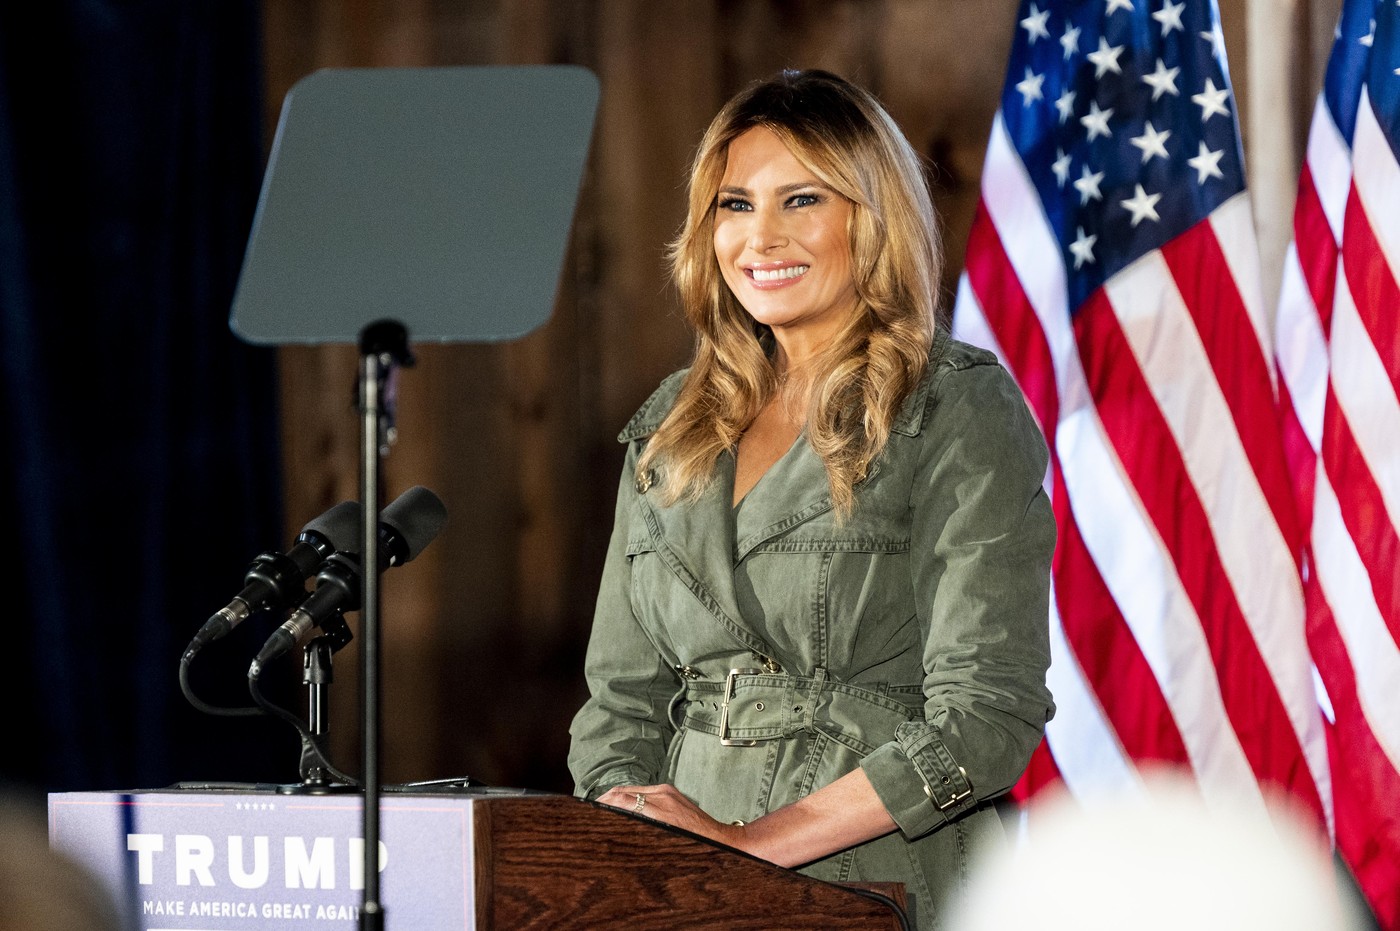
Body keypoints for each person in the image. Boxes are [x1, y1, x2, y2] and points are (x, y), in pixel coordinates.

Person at [567, 69, 1055, 929]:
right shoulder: (668, 429)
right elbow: (617, 709)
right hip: (673, 895)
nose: (760, 237)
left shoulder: (954, 406)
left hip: (880, 880)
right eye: (733, 204)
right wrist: (639, 852)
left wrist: (745, 848)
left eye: (801, 199)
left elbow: (985, 720)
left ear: (872, 218)